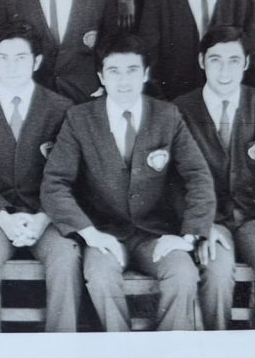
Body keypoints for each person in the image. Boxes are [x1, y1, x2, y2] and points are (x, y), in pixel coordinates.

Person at [41, 34, 215, 332]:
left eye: (132, 70)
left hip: (156, 234)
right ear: (101, 77)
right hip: (104, 234)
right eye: (114, 71)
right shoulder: (79, 118)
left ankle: (169, 350)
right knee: (100, 276)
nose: (123, 81)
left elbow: (198, 176)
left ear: (145, 74)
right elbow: (54, 184)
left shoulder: (167, 115)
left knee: (183, 275)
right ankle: (120, 347)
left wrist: (187, 237)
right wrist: (90, 234)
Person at [174, 26, 255, 330]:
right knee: (216, 272)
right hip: (210, 219)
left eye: (233, 61)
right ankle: (214, 348)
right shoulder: (180, 110)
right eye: (215, 60)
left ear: (246, 63)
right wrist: (198, 225)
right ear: (201, 61)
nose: (224, 70)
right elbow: (172, 180)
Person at [0, 25, 81, 332]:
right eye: (3, 58)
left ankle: (63, 348)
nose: (11, 66)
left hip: (46, 216)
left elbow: (68, 177)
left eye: (20, 57)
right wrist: (2, 217)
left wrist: (43, 218)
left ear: (36, 61)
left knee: (66, 257)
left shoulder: (60, 108)